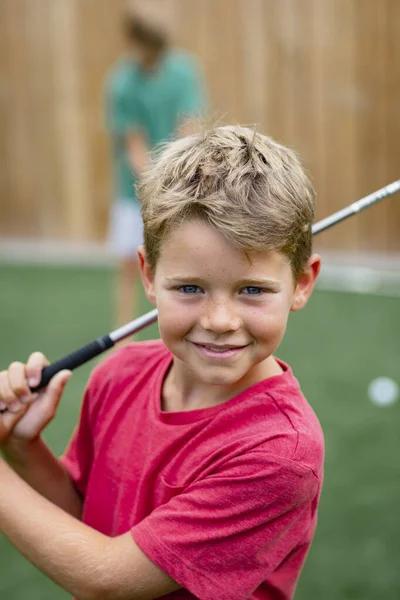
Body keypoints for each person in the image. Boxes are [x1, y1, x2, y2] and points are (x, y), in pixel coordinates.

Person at [0, 126, 324, 600]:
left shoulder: (281, 453)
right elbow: (86, 521)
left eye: (252, 289)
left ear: (301, 283)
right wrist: (25, 449)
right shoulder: (119, 373)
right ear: (148, 276)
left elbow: (106, 578)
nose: (219, 321)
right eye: (190, 288)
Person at [106, 9, 207, 328]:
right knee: (129, 265)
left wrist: (178, 180)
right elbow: (133, 144)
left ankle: (187, 325)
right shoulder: (122, 83)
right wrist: (156, 182)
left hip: (180, 188)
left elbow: (189, 127)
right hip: (133, 191)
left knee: (187, 262)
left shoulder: (184, 72)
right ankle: (123, 334)